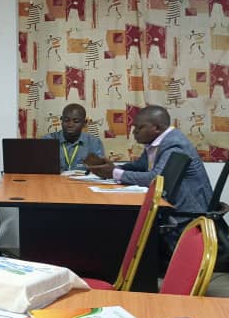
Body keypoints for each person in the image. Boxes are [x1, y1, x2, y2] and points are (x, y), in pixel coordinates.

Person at [86, 106, 213, 251]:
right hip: (169, 204)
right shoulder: (157, 142)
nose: (134, 132)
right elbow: (140, 166)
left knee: (121, 220)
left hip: (187, 213)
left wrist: (114, 173)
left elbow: (156, 179)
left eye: (139, 127)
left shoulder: (175, 144)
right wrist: (113, 168)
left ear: (157, 128)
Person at [42, 104, 105, 171]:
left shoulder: (94, 143)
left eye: (76, 121)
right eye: (66, 120)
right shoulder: (47, 140)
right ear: (61, 120)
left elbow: (99, 170)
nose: (70, 125)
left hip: (82, 178)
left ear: (84, 123)